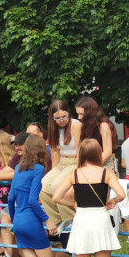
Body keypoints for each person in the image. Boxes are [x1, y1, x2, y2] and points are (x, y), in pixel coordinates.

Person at [53, 138, 125, 257]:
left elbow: (56, 196)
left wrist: (74, 204)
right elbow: (122, 194)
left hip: (82, 219)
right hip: (101, 218)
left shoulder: (74, 174)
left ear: (82, 154)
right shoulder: (106, 173)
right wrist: (113, 201)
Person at [8, 134, 56, 257]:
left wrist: (14, 220)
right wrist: (48, 220)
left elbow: (11, 199)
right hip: (31, 221)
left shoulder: (18, 169)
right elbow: (32, 201)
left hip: (18, 221)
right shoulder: (38, 169)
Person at [38, 100, 83, 239]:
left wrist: (80, 169)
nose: (61, 120)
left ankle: (70, 218)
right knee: (44, 186)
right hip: (62, 162)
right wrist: (54, 171)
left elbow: (80, 149)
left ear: (69, 113)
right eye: (57, 118)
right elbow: (55, 152)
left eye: (64, 116)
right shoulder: (53, 128)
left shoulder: (76, 125)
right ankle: (58, 219)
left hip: (75, 160)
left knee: (58, 186)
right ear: (52, 118)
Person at [75, 96, 117, 172]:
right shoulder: (84, 127)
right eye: (78, 114)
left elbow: (108, 152)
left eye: (81, 114)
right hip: (89, 165)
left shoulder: (103, 126)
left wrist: (92, 166)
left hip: (104, 166)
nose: (79, 117)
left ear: (90, 112)